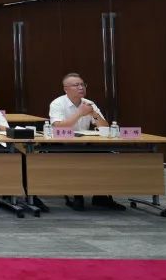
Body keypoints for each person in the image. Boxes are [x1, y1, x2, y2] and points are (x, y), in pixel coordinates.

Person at [49, 73, 120, 211]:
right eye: (76, 85)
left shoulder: (89, 103)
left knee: (107, 156)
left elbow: (105, 127)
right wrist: (79, 113)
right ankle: (77, 195)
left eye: (83, 84)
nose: (81, 87)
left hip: (84, 143)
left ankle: (101, 196)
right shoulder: (57, 103)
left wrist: (94, 114)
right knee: (77, 158)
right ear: (66, 89)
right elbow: (58, 127)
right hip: (62, 144)